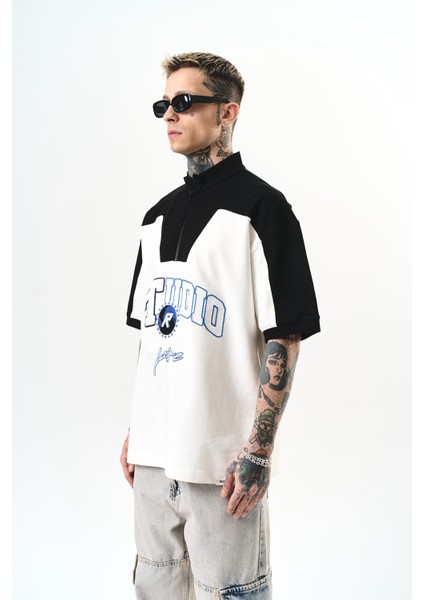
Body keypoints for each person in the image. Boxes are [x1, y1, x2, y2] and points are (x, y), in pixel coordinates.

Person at [120, 51, 320, 599]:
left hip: (221, 466)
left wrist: (258, 451)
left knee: (231, 592)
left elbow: (284, 335)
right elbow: (151, 336)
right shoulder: (155, 217)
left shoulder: (263, 209)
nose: (170, 114)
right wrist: (137, 431)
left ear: (228, 112)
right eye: (164, 104)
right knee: (154, 587)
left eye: (185, 102)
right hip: (152, 461)